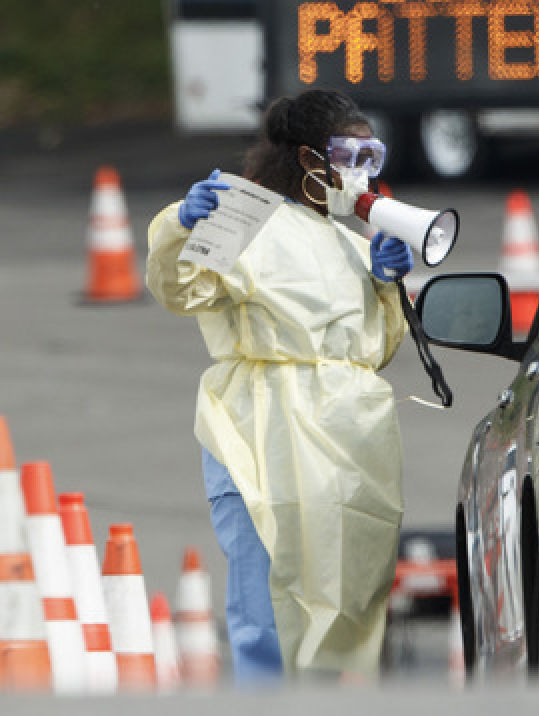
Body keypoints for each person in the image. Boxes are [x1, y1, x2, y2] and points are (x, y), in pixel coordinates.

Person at [145, 89, 414, 683]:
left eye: (371, 157)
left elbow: (376, 351)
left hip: (350, 438)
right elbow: (180, 290)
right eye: (349, 157)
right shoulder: (245, 221)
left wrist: (386, 285)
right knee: (266, 596)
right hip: (260, 429)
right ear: (308, 158)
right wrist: (178, 227)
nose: (360, 173)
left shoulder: (353, 245)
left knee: (347, 596)